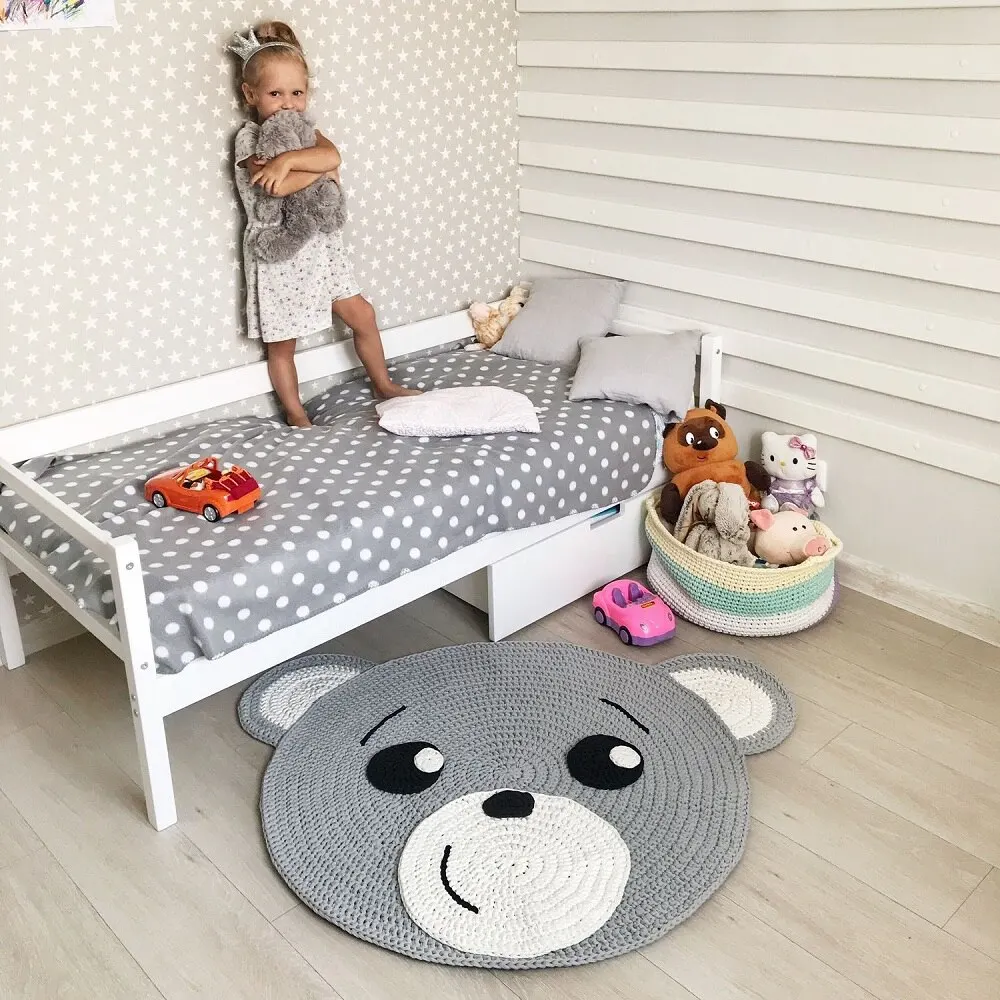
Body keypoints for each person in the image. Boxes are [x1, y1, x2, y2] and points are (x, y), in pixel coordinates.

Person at [229, 21, 418, 427]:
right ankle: (296, 414)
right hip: (281, 249)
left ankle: (383, 384)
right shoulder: (249, 138)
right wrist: (309, 169)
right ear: (250, 94)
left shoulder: (308, 131)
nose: (287, 104)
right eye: (275, 94)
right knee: (283, 343)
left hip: (321, 243)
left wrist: (289, 160)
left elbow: (333, 157)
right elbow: (277, 188)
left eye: (296, 93)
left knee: (362, 314)